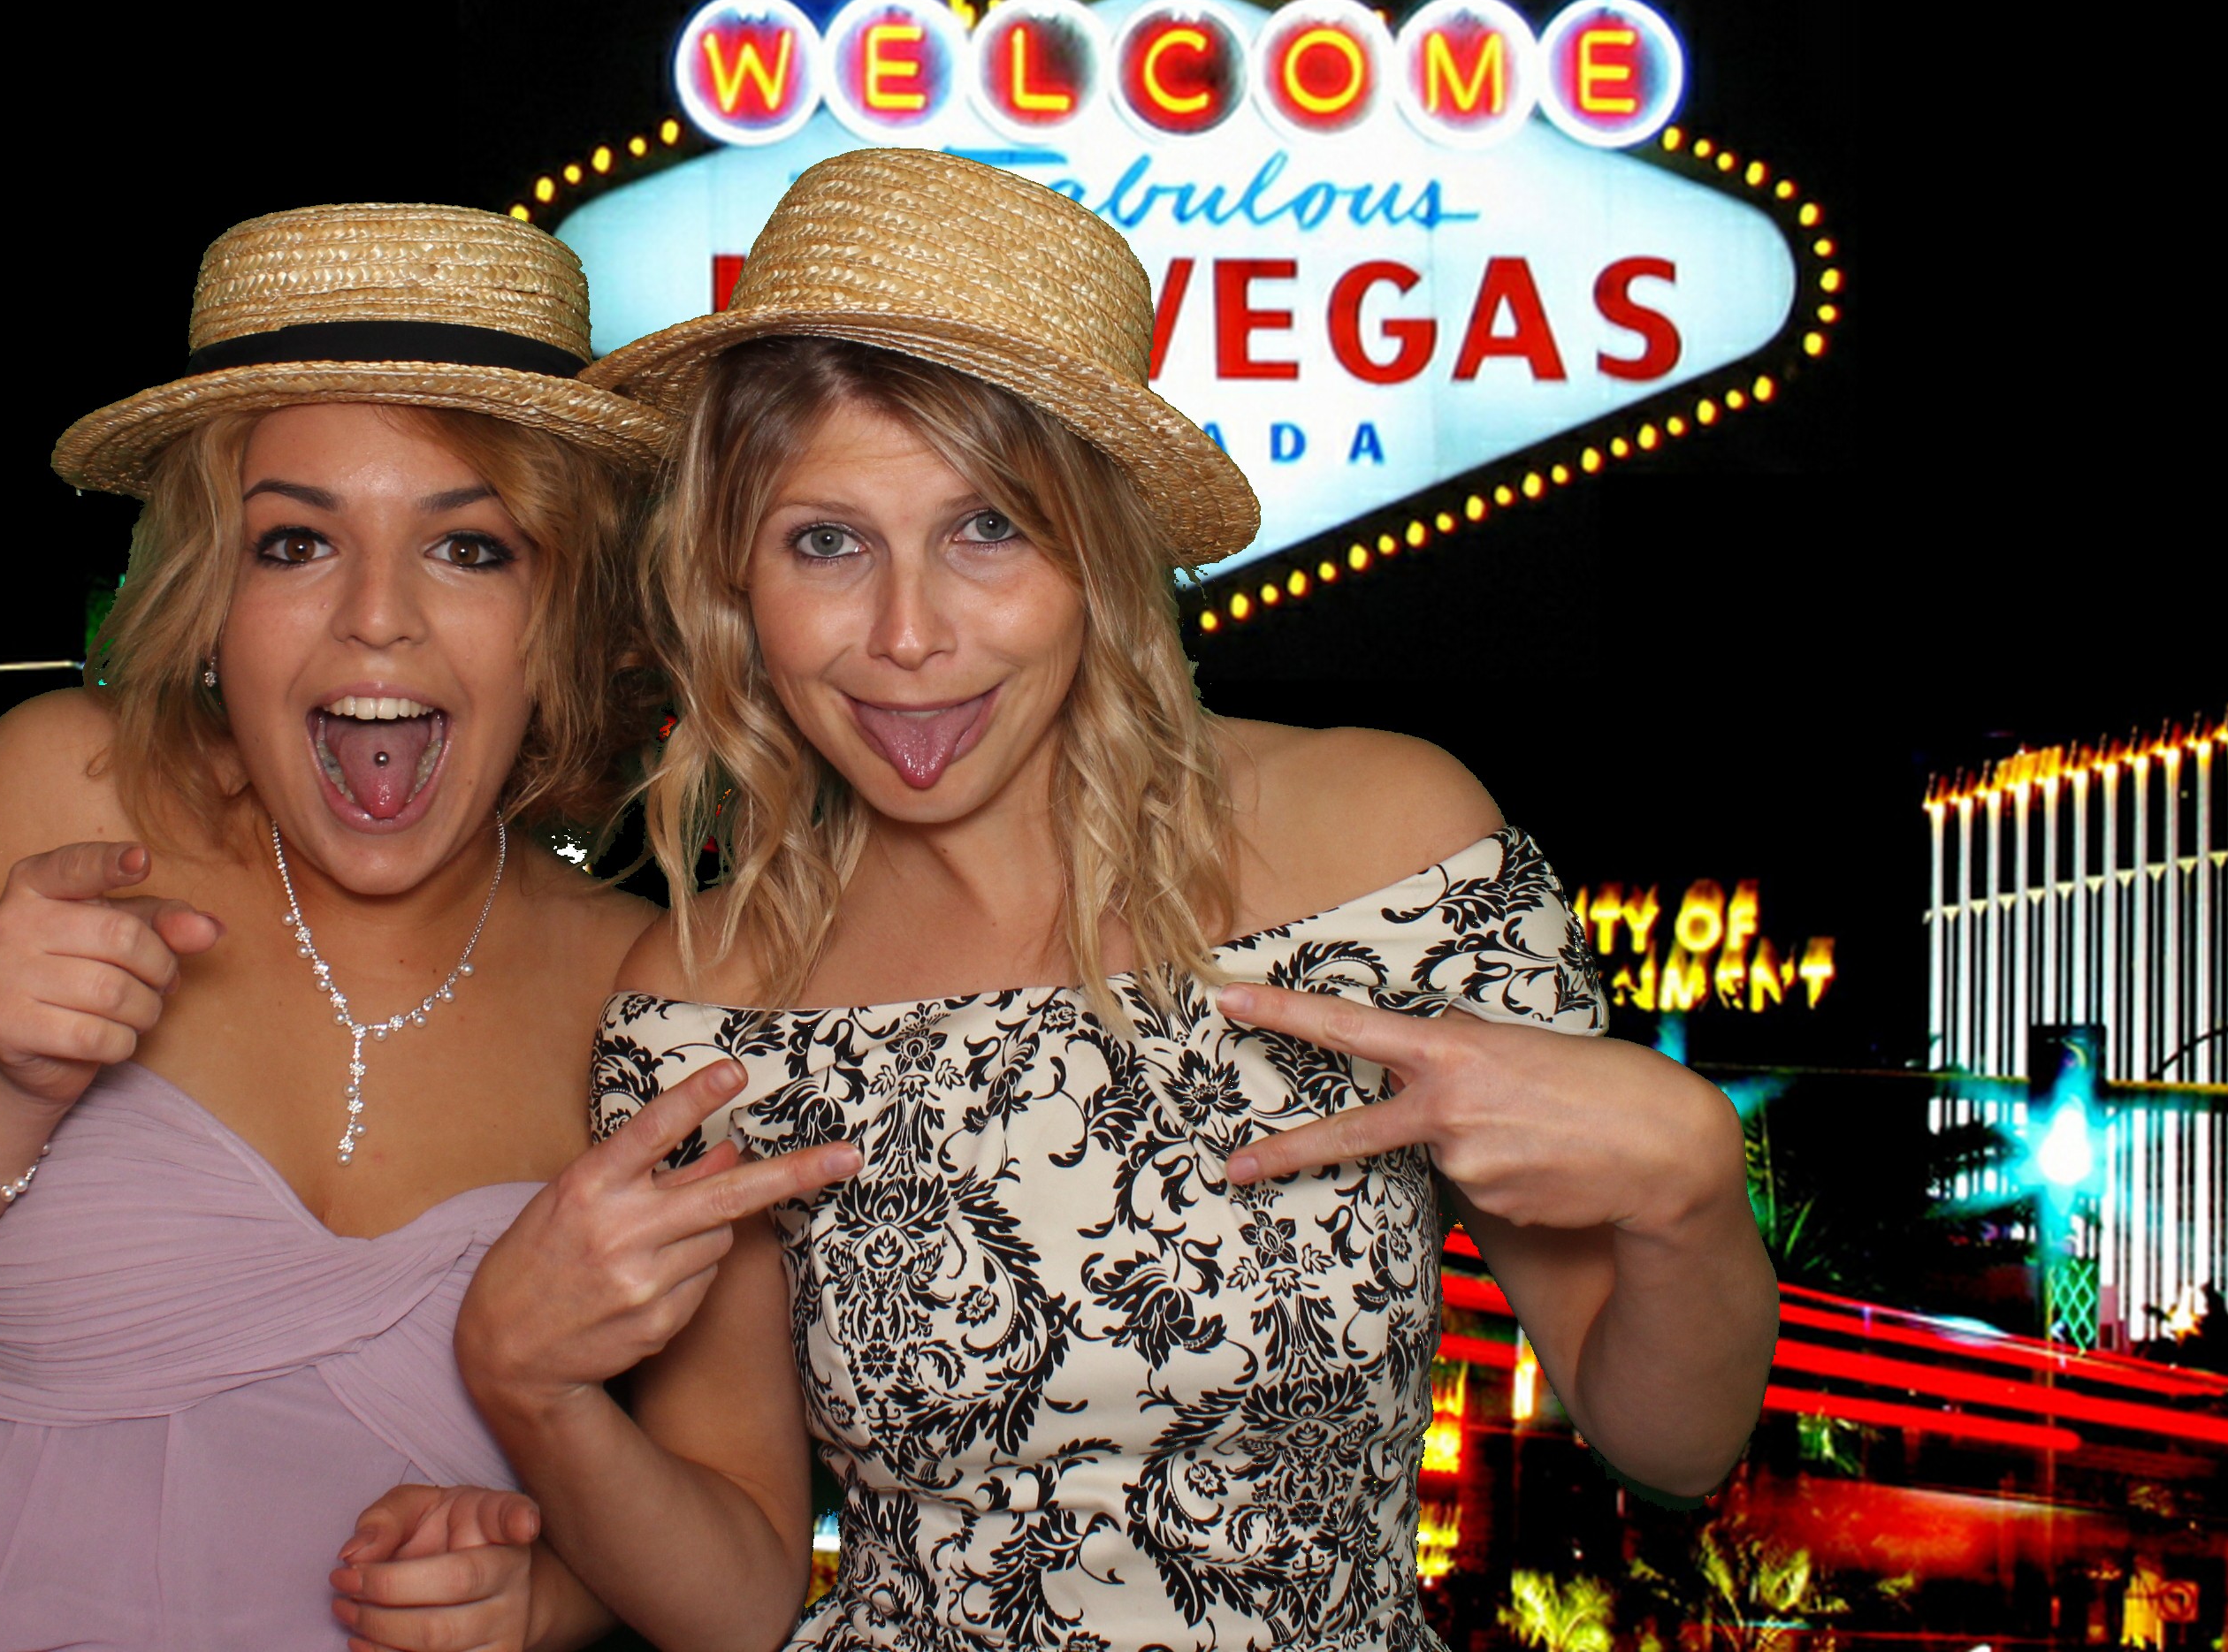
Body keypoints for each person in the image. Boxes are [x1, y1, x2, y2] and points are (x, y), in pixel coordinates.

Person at [453, 149, 1780, 1651]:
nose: (906, 635)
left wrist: (1686, 1183)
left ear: (1102, 548)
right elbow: (743, 1589)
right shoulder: (709, 999)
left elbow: (1672, 1445)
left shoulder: (1390, 844)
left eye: (986, 531)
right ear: (734, 583)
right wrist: (531, 1387)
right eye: (827, 543)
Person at [0, 203, 676, 1649]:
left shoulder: (649, 990)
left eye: (471, 550)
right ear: (209, 592)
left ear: (565, 607)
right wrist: (0, 1082)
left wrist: (554, 1600)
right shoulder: (65, 787)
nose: (376, 623)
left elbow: (720, 1519)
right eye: (294, 542)